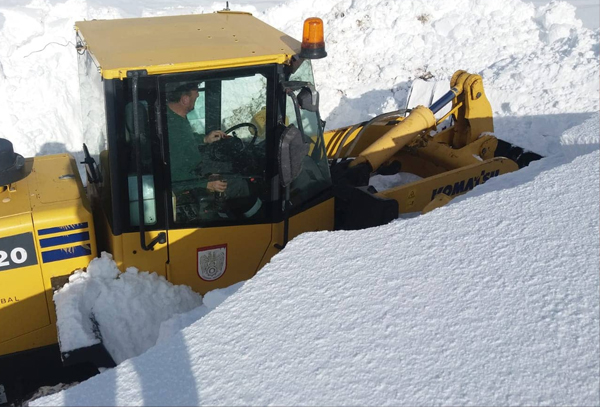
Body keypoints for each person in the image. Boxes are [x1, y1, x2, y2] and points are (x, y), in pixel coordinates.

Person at [166, 81, 227, 195]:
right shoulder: (172, 128)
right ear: (185, 100)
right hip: (188, 181)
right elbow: (174, 176)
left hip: (194, 171)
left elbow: (185, 138)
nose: (197, 98)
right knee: (238, 184)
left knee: (225, 167)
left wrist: (204, 139)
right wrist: (206, 184)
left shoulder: (173, 116)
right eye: (195, 97)